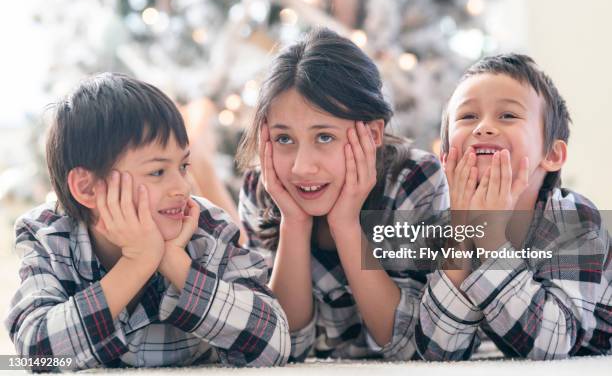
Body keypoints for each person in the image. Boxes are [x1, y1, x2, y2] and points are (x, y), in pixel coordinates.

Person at [5, 73, 290, 370]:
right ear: (88, 188)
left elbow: (275, 344)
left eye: (183, 166)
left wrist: (174, 263)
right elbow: (35, 355)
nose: (182, 186)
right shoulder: (48, 236)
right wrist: (138, 262)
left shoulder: (205, 227)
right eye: (157, 172)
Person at [236, 28, 449, 361]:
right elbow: (280, 350)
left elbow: (411, 347)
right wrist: (294, 223)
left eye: (324, 137)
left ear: (374, 132)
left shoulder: (415, 179)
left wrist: (346, 225)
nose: (301, 168)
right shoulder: (261, 188)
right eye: (284, 139)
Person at [416, 53, 612, 360]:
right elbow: (437, 351)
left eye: (507, 115)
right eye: (467, 117)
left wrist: (492, 240)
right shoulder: (448, 227)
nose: (483, 127)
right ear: (446, 158)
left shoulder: (574, 220)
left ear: (553, 155)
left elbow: (552, 345)